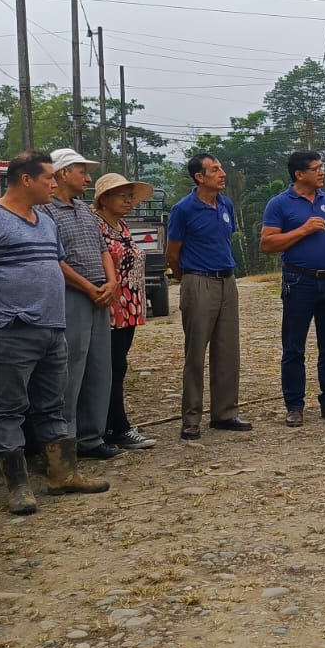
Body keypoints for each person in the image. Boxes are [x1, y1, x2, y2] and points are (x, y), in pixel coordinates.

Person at [0, 151, 110, 512]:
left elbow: (55, 264)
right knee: (9, 408)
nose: (54, 184)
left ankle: (62, 474)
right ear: (26, 180)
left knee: (52, 405)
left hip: (52, 327)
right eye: (48, 178)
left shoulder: (44, 221)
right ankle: (18, 487)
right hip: (14, 329)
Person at [260, 150, 325, 427]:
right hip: (299, 281)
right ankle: (294, 406)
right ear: (299, 174)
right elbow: (267, 244)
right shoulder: (279, 204)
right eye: (316, 168)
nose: (322, 172)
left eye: (322, 167)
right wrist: (303, 230)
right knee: (294, 347)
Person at [40, 148, 120, 460]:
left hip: (99, 294)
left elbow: (103, 250)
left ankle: (91, 436)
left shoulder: (85, 210)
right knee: (70, 367)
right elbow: (53, 259)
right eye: (82, 172)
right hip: (71, 295)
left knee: (99, 366)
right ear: (63, 173)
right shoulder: (45, 211)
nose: (88, 179)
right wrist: (88, 287)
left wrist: (111, 282)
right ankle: (65, 439)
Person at [165, 153, 251, 440]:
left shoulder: (225, 204)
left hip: (227, 280)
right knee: (196, 352)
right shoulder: (184, 209)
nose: (222, 173)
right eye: (215, 170)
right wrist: (188, 279)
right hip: (198, 280)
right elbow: (172, 253)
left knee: (227, 350)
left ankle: (225, 413)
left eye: (221, 167)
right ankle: (191, 419)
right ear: (199, 177)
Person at [93, 172, 157, 451]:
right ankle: (114, 427)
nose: (129, 201)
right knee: (110, 367)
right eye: (123, 196)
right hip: (108, 306)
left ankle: (113, 425)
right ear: (104, 199)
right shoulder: (96, 225)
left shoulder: (122, 226)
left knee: (118, 366)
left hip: (127, 307)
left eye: (131, 196)